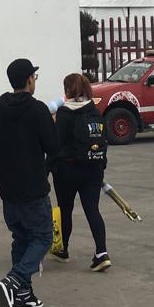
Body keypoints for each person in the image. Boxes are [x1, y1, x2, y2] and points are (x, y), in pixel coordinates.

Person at [0, 57, 60, 307]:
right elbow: (53, 147)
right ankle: (13, 281)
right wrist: (45, 170)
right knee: (42, 237)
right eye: (34, 77)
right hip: (33, 187)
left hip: (8, 187)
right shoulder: (37, 110)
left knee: (20, 238)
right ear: (29, 80)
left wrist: (1, 171)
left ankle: (22, 296)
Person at [50, 72, 110, 272]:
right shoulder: (94, 111)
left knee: (65, 209)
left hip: (67, 170)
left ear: (68, 90)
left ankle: (63, 249)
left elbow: (56, 145)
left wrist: (46, 170)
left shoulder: (65, 113)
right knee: (92, 210)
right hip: (93, 169)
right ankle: (101, 253)